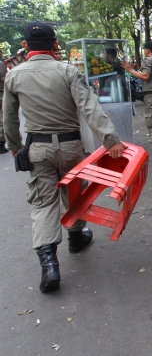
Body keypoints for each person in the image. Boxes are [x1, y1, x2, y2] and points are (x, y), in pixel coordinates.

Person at [2, 22, 126, 293]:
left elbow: (9, 119)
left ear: (25, 46)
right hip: (70, 147)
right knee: (74, 193)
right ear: (54, 44)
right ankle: (75, 236)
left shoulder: (14, 75)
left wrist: (14, 146)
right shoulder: (67, 71)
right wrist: (111, 141)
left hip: (37, 149)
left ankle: (49, 263)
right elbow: (90, 108)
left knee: (43, 202)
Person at [0, 47, 8, 154]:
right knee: (2, 119)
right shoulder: (1, 65)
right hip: (1, 95)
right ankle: (1, 142)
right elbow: (4, 79)